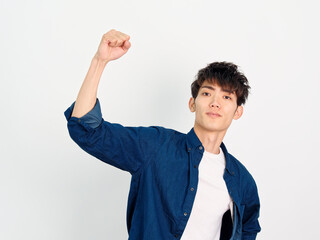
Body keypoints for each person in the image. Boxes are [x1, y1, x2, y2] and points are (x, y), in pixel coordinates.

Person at [64, 29, 261, 240]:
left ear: (238, 112)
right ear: (192, 103)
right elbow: (87, 131)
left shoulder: (241, 179)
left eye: (226, 97)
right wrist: (99, 61)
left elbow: (248, 228)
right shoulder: (156, 146)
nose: (215, 102)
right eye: (206, 93)